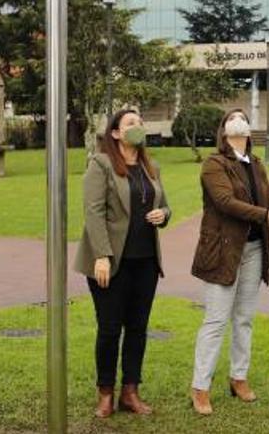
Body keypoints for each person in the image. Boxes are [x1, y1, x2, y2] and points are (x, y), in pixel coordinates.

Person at [189, 109, 269, 415]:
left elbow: (265, 204)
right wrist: (267, 214)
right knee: (216, 320)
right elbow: (226, 203)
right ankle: (200, 386)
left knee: (244, 318)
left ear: (249, 129)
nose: (238, 120)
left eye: (243, 117)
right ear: (224, 130)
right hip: (223, 252)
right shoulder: (214, 164)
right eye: (231, 118)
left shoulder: (257, 164)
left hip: (253, 251)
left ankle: (239, 377)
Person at [73, 109, 172, 418]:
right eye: (131, 123)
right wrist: (102, 255)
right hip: (111, 263)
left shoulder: (150, 166)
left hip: (145, 262)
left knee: (138, 329)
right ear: (115, 133)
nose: (138, 126)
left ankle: (130, 391)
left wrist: (163, 216)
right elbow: (93, 212)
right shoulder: (101, 164)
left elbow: (165, 206)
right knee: (109, 329)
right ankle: (106, 393)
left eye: (140, 122)